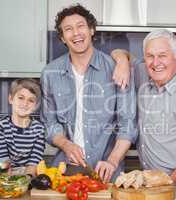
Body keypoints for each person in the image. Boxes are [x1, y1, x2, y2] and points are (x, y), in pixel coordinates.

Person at [40, 4, 137, 183]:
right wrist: (66, 144)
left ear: (91, 30)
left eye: (81, 26)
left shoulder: (117, 68)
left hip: (107, 171)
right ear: (62, 38)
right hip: (65, 171)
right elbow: (50, 123)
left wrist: (112, 161)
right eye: (68, 29)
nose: (76, 33)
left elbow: (128, 125)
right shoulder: (49, 73)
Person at [111, 29, 176, 200]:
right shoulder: (144, 73)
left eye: (162, 55)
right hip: (151, 185)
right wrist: (121, 62)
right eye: (150, 56)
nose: (156, 63)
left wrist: (169, 184)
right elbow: (119, 52)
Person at [0, 78, 45, 177]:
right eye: (21, 98)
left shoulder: (39, 129)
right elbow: (4, 160)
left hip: (29, 176)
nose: (25, 104)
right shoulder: (1, 127)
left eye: (31, 100)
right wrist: (12, 183)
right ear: (11, 99)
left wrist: (24, 181)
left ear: (36, 105)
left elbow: (34, 162)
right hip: (7, 174)